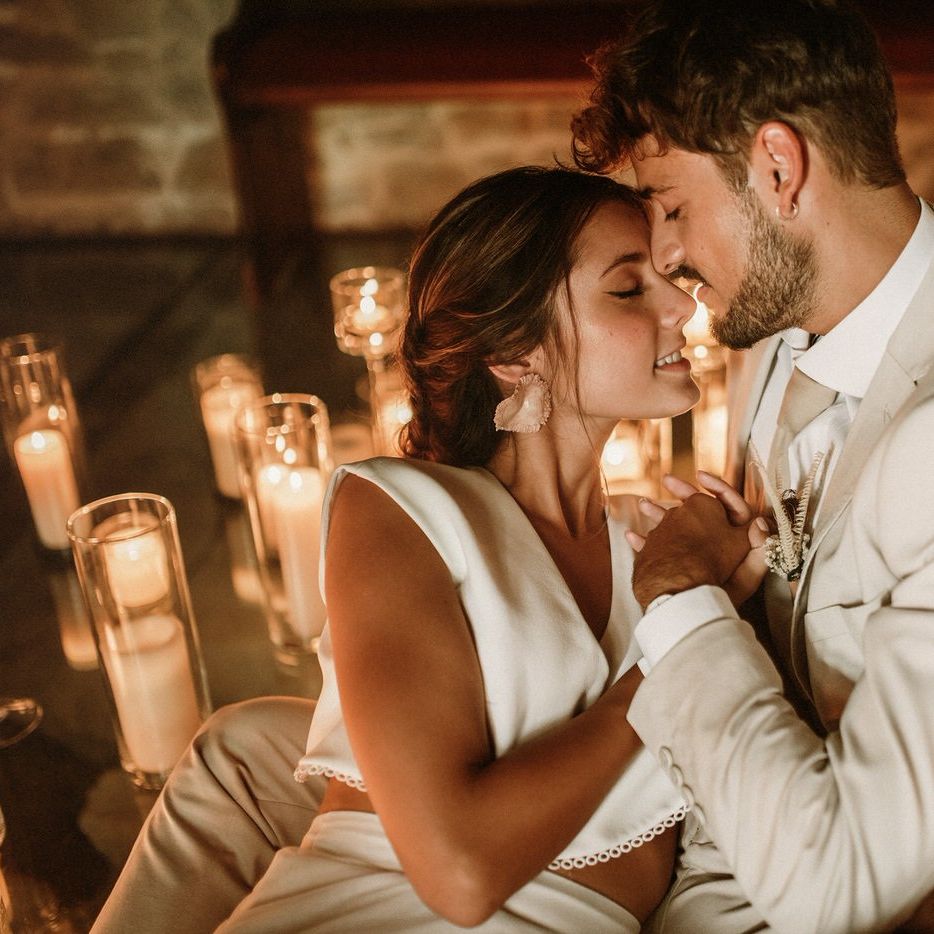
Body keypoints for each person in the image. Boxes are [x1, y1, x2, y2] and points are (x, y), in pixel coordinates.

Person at [93, 166, 761, 932]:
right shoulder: (401, 511)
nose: (682, 305)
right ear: (515, 352)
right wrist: (676, 644)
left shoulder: (657, 542)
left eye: (668, 278)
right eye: (629, 288)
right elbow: (459, 873)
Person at [571, 0, 934, 931]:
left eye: (672, 208)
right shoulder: (769, 336)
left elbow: (841, 887)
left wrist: (681, 592)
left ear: (778, 167)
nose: (666, 255)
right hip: (692, 817)